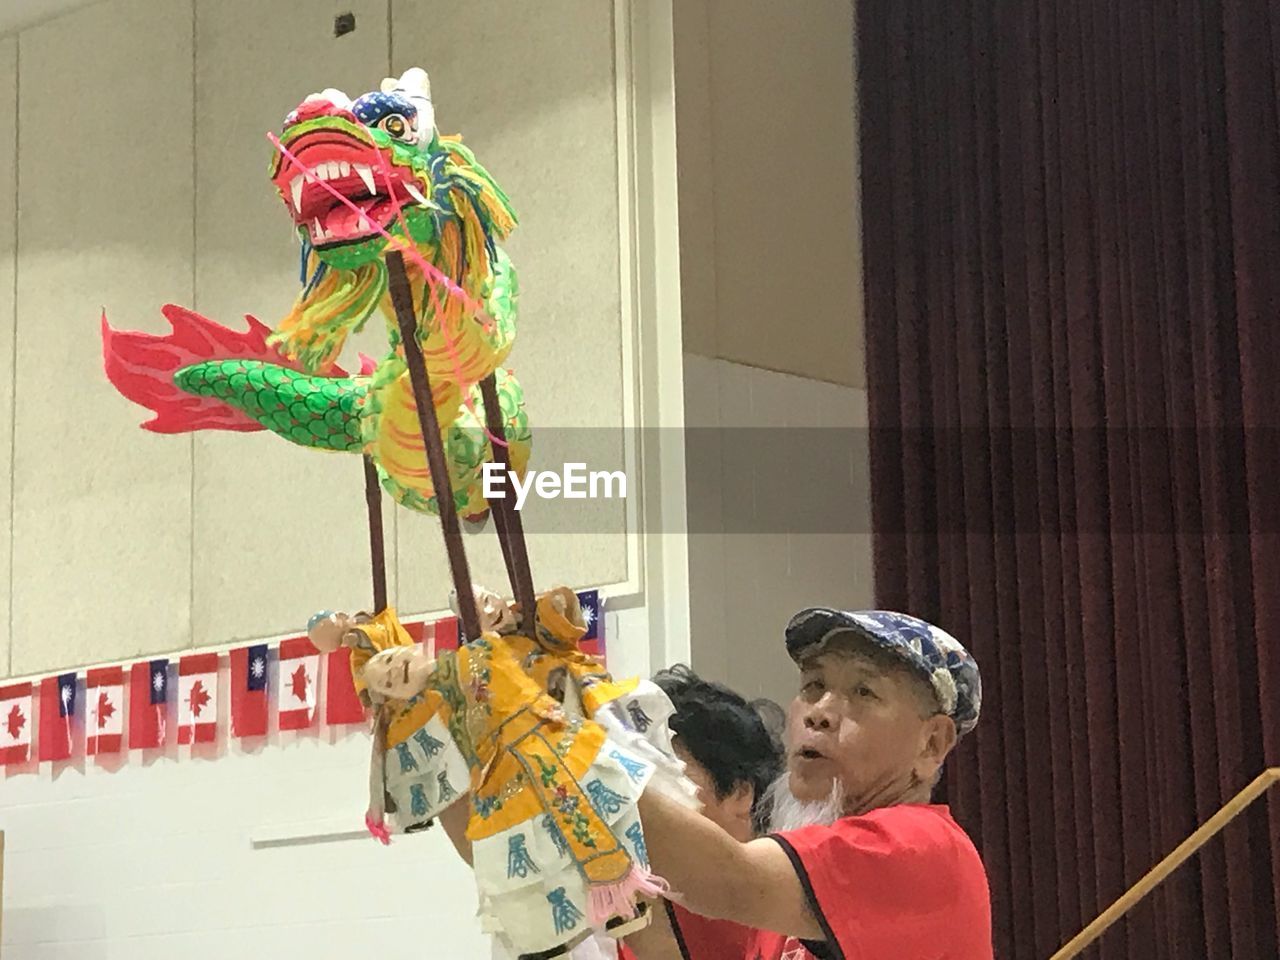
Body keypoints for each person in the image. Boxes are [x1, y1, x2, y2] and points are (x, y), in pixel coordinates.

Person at [634, 608, 992, 960]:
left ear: (931, 744)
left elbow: (723, 880)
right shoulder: (798, 877)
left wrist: (588, 755)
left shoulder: (922, 845)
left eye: (864, 692)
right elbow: (662, 937)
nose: (818, 712)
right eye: (813, 685)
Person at [620, 666, 785, 960]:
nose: (635, 796)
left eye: (662, 774)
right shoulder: (611, 920)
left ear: (739, 793)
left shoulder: (796, 925)